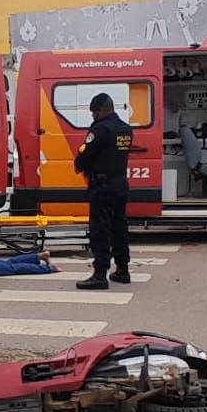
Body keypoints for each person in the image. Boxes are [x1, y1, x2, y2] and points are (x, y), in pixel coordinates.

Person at [73, 93, 133, 290]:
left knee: (100, 230)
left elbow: (85, 156)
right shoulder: (125, 129)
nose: (93, 117)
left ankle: (100, 274)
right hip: (120, 184)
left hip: (102, 187)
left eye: (94, 113)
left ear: (101, 110)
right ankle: (122, 270)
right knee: (119, 227)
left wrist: (79, 164)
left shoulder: (100, 130)